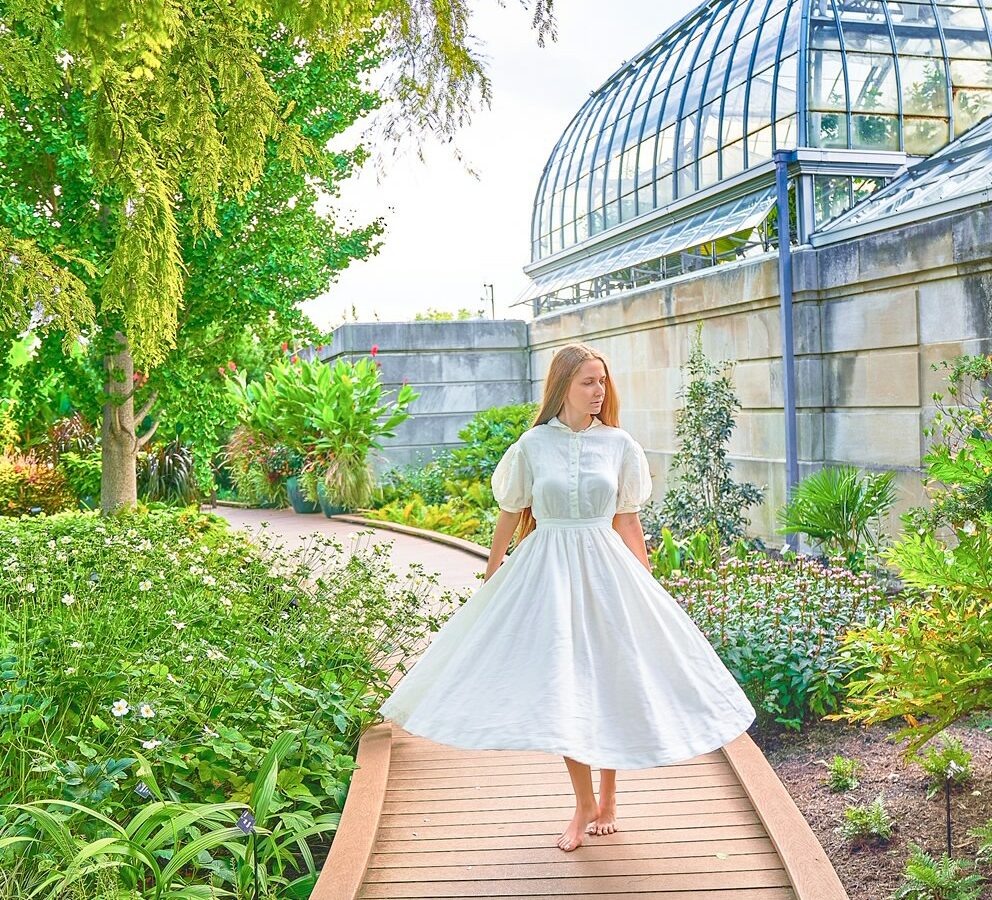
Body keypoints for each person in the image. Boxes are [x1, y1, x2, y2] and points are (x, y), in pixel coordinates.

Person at [378, 341, 756, 852]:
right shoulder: (533, 446)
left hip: (608, 574)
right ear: (563, 386)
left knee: (612, 679)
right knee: (567, 689)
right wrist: (492, 577)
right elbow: (510, 513)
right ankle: (582, 803)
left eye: (602, 381)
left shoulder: (620, 444)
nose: (599, 391)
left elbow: (628, 519)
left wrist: (646, 584)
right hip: (548, 574)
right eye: (588, 382)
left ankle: (611, 795)